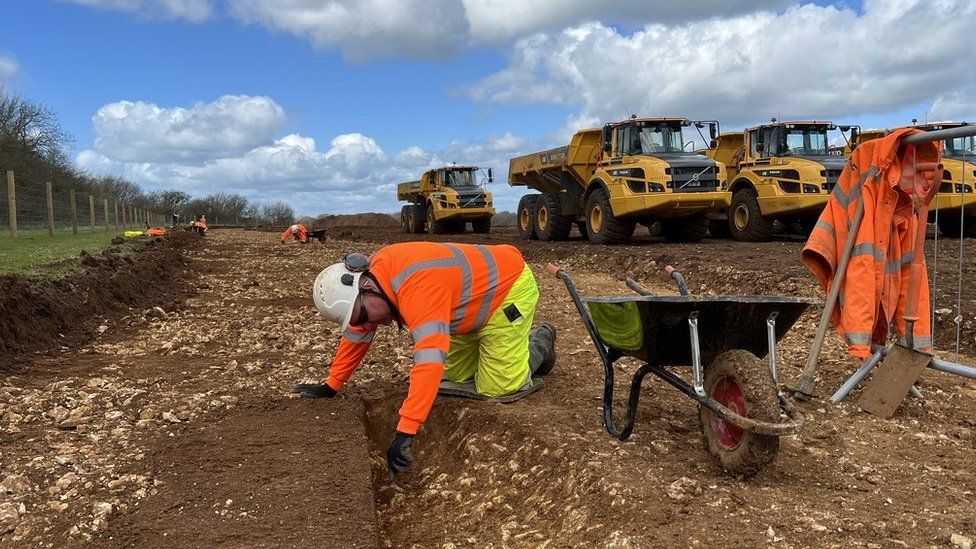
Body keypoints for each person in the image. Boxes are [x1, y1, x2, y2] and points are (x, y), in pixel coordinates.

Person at [293, 242, 556, 478]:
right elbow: (358, 334)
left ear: (367, 287)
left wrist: (405, 432)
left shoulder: (417, 289)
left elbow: (429, 359)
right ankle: (498, 347)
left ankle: (540, 342)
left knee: (498, 387)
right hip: (464, 308)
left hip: (508, 291)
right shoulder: (376, 279)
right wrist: (332, 385)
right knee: (455, 377)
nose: (368, 324)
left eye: (362, 316)